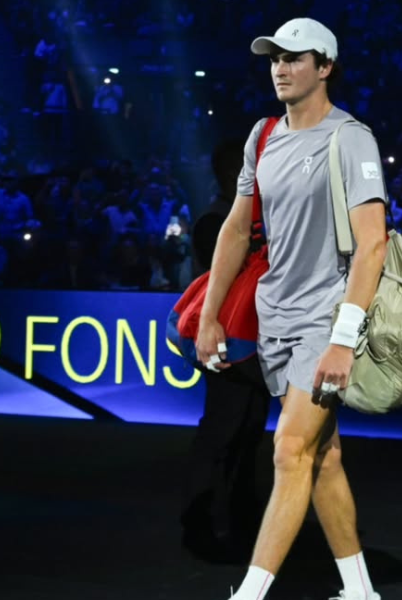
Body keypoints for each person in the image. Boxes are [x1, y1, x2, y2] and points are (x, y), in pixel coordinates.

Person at [196, 17, 388, 600]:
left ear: (325, 67)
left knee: (288, 450)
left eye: (294, 58)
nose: (280, 68)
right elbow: (236, 230)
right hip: (275, 318)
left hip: (326, 321)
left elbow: (372, 243)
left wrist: (343, 339)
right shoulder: (261, 136)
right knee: (321, 456)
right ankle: (361, 591)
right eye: (275, 58)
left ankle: (250, 594)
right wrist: (210, 314)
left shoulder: (350, 138)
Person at [180, 139, 272, 564]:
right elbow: (229, 276)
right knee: (221, 432)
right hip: (224, 340)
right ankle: (199, 522)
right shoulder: (216, 222)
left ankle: (241, 519)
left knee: (248, 432)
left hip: (251, 342)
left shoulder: (246, 217)